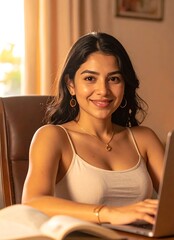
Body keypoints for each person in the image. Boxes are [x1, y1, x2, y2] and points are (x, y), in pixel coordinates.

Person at [22, 32, 164, 225]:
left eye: (114, 79)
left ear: (124, 84)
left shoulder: (144, 138)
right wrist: (110, 214)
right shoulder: (52, 137)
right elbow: (33, 203)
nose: (103, 91)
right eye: (90, 79)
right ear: (71, 84)